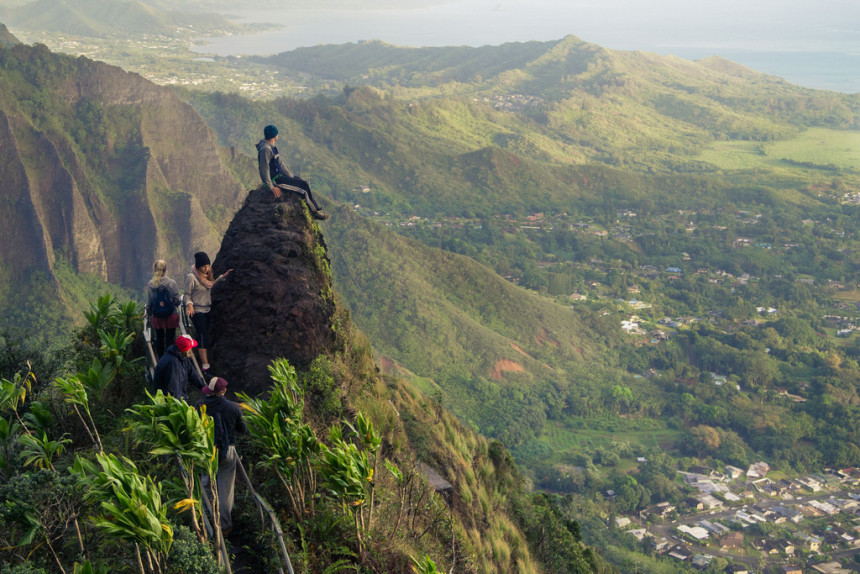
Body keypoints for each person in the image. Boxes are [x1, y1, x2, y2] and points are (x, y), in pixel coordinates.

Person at [197, 376, 247, 535]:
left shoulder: (200, 406)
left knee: (206, 483)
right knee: (225, 489)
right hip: (228, 451)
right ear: (224, 391)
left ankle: (208, 520)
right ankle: (224, 526)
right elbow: (243, 430)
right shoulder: (233, 408)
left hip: (208, 450)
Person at [256, 124, 330, 220]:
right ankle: (315, 213)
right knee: (302, 187)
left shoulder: (271, 147)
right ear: (274, 136)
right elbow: (264, 170)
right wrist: (271, 187)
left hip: (280, 175)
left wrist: (291, 177)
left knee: (299, 180)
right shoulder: (265, 149)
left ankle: (315, 205)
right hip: (276, 180)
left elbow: (281, 164)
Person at [184, 252, 231, 372]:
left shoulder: (207, 276)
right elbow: (187, 295)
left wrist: (222, 277)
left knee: (207, 333)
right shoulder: (192, 277)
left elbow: (212, 285)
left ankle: (202, 357)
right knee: (202, 335)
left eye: (208, 266)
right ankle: (205, 365)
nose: (206, 269)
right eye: (204, 267)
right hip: (197, 311)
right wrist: (189, 305)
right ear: (198, 266)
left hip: (207, 309)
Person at [145, 259, 181, 358]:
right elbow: (177, 300)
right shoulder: (171, 283)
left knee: (159, 338)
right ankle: (171, 359)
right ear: (165, 270)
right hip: (170, 315)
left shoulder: (151, 284)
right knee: (170, 338)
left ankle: (161, 360)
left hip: (157, 316)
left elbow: (150, 301)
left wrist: (147, 311)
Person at [152, 335, 206, 400]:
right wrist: (179, 405)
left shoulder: (182, 358)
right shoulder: (172, 363)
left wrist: (205, 388)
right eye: (190, 348)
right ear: (185, 350)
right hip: (169, 401)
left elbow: (193, 374)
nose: (190, 350)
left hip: (179, 396)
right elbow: (172, 388)